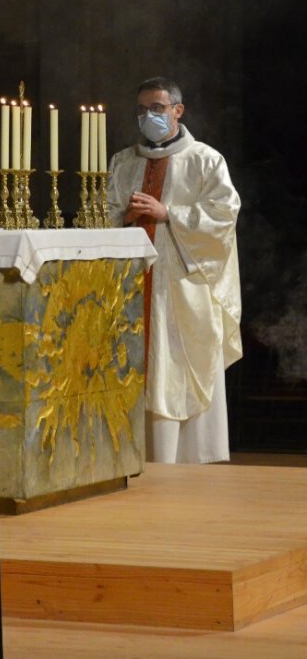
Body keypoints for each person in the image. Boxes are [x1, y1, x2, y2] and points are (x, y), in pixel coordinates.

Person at [106, 77, 242, 463]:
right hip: (132, 289)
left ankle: (190, 457)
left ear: (178, 111)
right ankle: (137, 457)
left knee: (181, 363)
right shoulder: (123, 162)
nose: (149, 116)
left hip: (182, 288)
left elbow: (224, 216)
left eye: (158, 108)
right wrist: (124, 216)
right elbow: (100, 216)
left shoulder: (205, 160)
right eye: (142, 110)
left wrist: (168, 214)